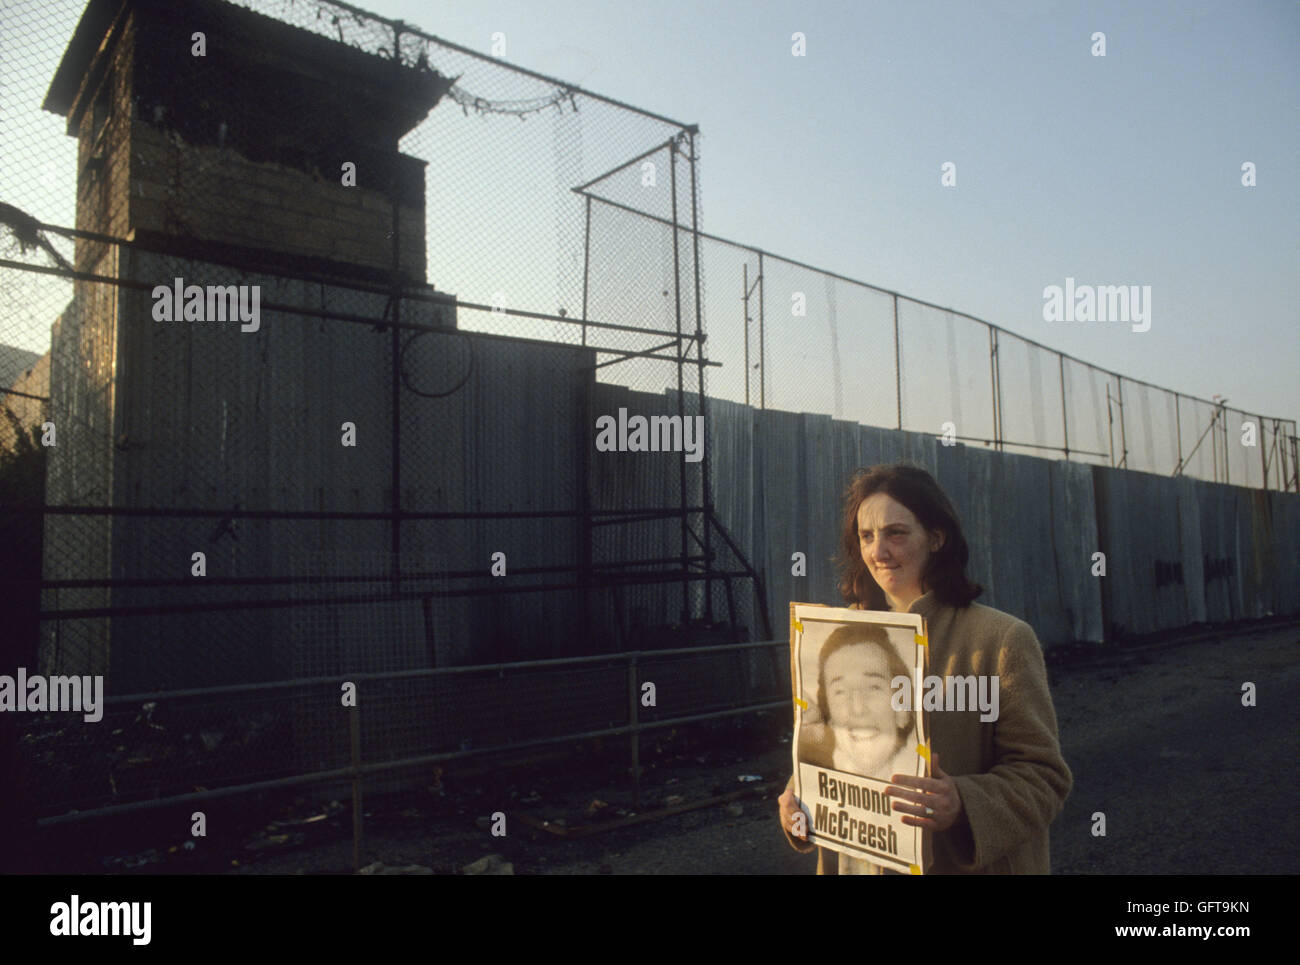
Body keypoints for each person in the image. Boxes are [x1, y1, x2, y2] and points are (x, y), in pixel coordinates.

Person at [778, 463, 1073, 874]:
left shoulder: (1000, 640)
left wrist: (963, 802)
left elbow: (1045, 777)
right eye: (867, 536)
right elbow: (825, 748)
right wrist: (799, 795)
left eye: (896, 533)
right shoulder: (836, 636)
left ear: (936, 538)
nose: (878, 552)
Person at [797, 623, 917, 781]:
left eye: (873, 687)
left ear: (902, 712)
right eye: (840, 692)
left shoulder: (931, 786)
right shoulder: (812, 778)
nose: (858, 709)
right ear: (830, 718)